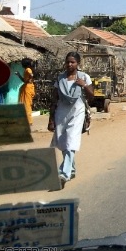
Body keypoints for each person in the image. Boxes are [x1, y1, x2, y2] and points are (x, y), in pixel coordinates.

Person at [48, 52, 93, 187]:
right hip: (61, 112)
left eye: (72, 62)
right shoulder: (60, 78)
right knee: (63, 142)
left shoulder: (84, 77)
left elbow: (92, 96)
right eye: (68, 62)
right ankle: (71, 169)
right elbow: (54, 99)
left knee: (71, 140)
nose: (69, 64)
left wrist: (84, 85)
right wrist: (51, 119)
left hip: (77, 111)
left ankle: (64, 173)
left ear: (77, 63)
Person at [16, 58, 35, 126]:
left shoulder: (28, 69)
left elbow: (31, 74)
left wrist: (31, 78)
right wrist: (19, 75)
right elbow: (24, 80)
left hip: (28, 89)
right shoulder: (26, 70)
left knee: (26, 105)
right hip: (26, 88)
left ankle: (29, 121)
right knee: (24, 104)